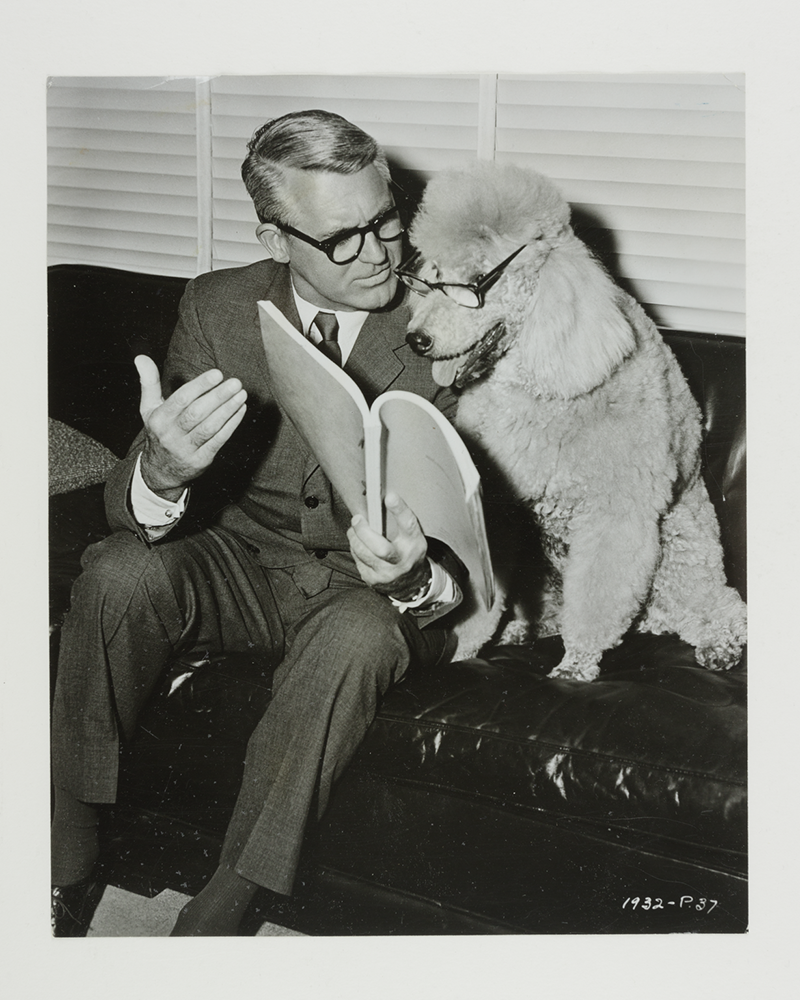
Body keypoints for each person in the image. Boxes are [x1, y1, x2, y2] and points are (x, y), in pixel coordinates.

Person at [50, 109, 464, 937]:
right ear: (276, 240)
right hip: (240, 564)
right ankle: (64, 853)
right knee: (117, 570)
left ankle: (224, 906)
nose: (379, 253)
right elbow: (128, 508)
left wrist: (417, 575)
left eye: (386, 220)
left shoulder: (449, 318)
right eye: (340, 238)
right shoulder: (218, 306)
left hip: (368, 589)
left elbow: (483, 550)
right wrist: (163, 469)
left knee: (357, 637)